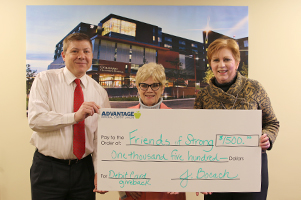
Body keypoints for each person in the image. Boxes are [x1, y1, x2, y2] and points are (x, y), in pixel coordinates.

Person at [194, 38, 279, 200]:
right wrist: (198, 175)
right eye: (216, 60)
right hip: (214, 173)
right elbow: (197, 136)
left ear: (237, 62)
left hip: (251, 170)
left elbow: (272, 122)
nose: (221, 65)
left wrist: (267, 137)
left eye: (227, 59)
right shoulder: (203, 96)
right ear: (210, 64)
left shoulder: (255, 88)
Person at [28, 33, 110, 200]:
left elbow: (101, 138)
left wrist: (101, 171)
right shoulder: (45, 80)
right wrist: (74, 117)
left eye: (86, 51)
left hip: (84, 171)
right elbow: (36, 120)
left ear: (92, 56)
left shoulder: (100, 92)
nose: (81, 56)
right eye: (75, 51)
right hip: (48, 170)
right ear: (64, 55)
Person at [119, 62, 186, 200]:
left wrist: (179, 180)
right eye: (144, 85)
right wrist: (124, 186)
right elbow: (116, 156)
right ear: (137, 87)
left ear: (162, 88)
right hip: (135, 192)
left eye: (155, 85)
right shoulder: (123, 117)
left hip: (168, 192)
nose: (149, 90)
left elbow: (186, 156)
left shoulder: (177, 118)